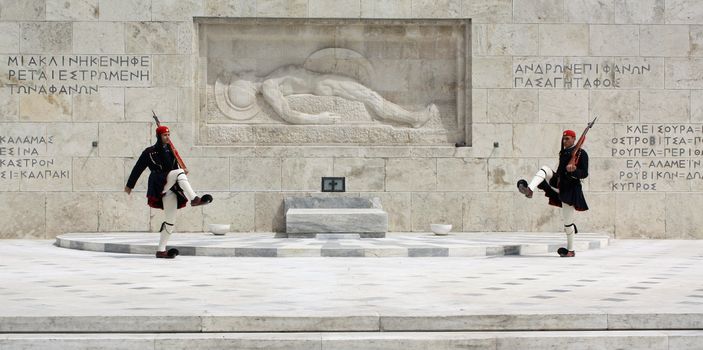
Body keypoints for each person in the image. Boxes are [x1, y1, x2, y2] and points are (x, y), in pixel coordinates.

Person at [219, 65, 438, 128]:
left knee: (370, 97)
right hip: (325, 85)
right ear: (247, 85)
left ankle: (410, 118)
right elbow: (287, 114)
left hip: (325, 80)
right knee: (372, 98)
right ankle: (413, 119)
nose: (244, 71)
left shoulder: (270, 77)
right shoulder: (269, 86)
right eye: (242, 75)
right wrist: (319, 119)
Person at [125, 125, 212, 259]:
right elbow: (138, 168)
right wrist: (130, 185)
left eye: (169, 135)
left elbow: (174, 167)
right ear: (159, 136)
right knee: (179, 173)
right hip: (159, 182)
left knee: (170, 221)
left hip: (171, 187)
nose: (168, 137)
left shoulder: (170, 150)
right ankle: (194, 199)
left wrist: (181, 167)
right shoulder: (149, 152)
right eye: (165, 135)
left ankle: (161, 250)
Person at [517, 129, 589, 257]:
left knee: (568, 223)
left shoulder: (581, 154)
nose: (564, 141)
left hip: (570, 189)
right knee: (545, 169)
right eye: (563, 138)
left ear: (574, 139)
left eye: (567, 139)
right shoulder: (564, 152)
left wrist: (574, 170)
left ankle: (570, 250)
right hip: (558, 182)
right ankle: (530, 189)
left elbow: (584, 173)